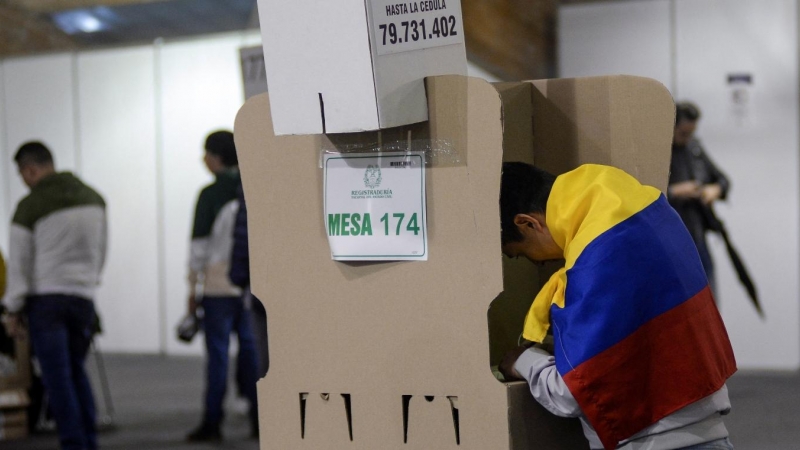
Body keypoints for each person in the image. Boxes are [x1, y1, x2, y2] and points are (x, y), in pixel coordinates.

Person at [498, 162, 736, 450]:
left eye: (520, 253)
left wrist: (522, 360)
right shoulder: (648, 211)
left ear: (527, 223)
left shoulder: (595, 264)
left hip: (656, 442)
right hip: (711, 433)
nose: (536, 263)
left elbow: (573, 393)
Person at [1, 141, 106, 450]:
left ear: (31, 170)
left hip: (47, 301)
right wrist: (88, 283)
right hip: (83, 297)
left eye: (23, 174)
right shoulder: (94, 197)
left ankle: (74, 443)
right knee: (76, 370)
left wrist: (12, 309)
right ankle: (90, 440)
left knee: (56, 377)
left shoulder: (29, 206)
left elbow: (20, 265)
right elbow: (100, 251)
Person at [185, 130, 259, 442]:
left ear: (217, 157)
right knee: (253, 355)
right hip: (248, 285)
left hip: (217, 288)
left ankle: (212, 422)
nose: (204, 159)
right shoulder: (254, 185)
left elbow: (198, 247)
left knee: (216, 357)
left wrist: (192, 288)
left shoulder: (210, 195)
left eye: (206, 153)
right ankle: (260, 420)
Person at [668, 102, 730, 293]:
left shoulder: (694, 148)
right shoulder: (659, 154)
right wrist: (675, 192)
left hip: (697, 236)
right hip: (670, 241)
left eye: (691, 133)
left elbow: (723, 180)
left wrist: (714, 190)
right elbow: (642, 193)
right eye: (683, 133)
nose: (687, 138)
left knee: (709, 298)